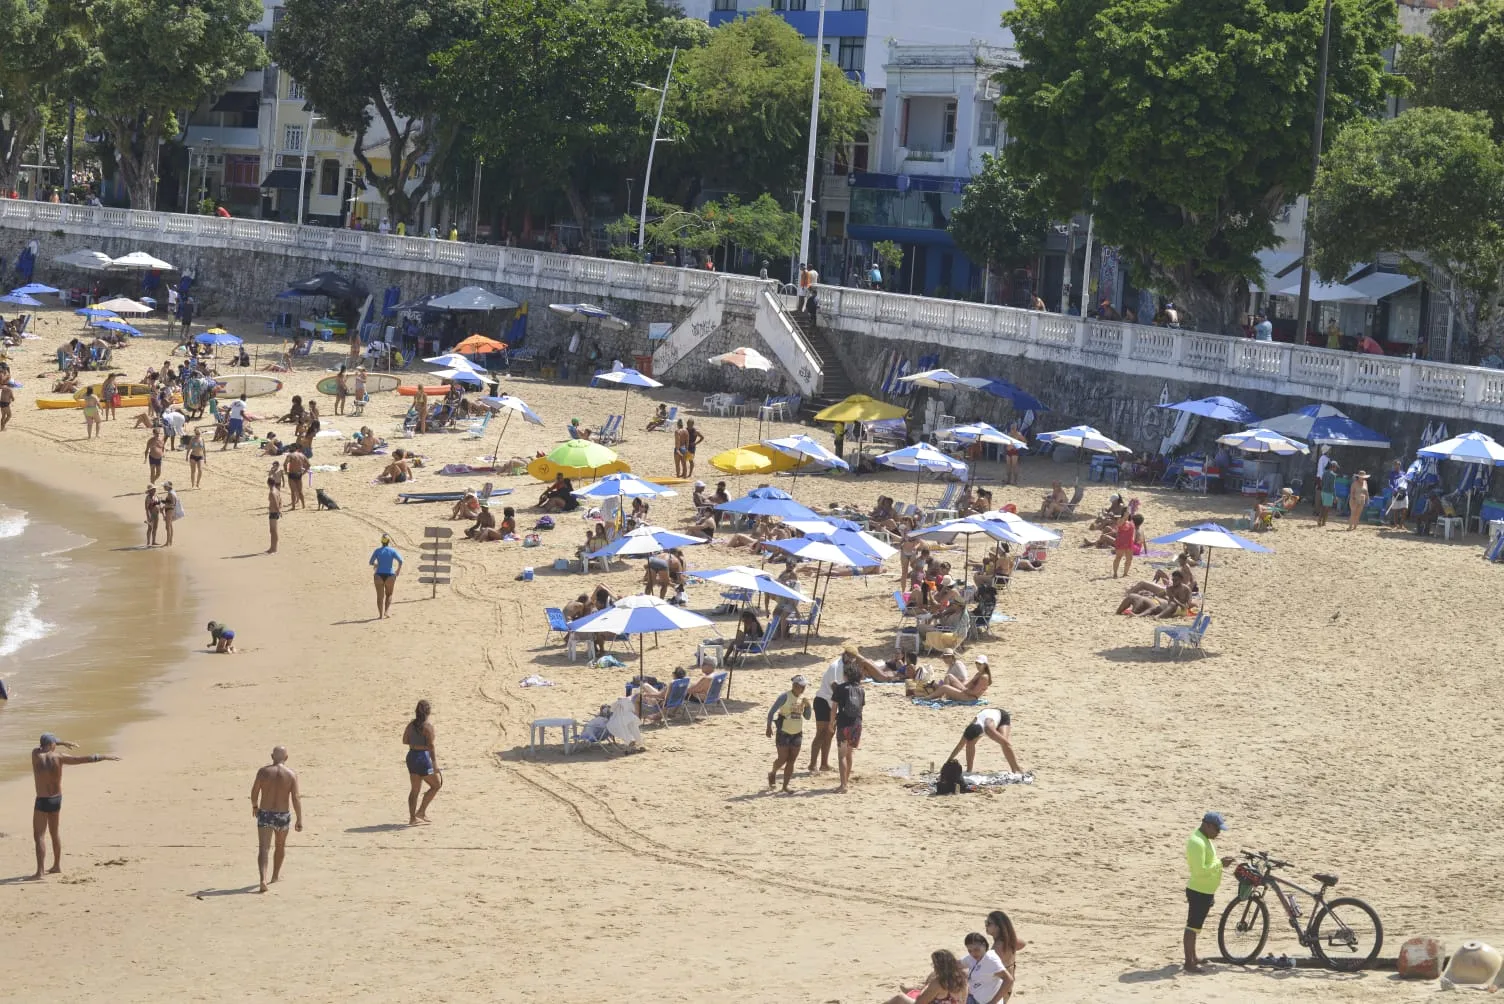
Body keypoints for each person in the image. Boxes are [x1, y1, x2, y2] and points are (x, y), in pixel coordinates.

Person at [29, 733, 120, 880]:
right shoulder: (59, 757)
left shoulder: (35, 754)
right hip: (56, 799)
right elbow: (82, 759)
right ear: (53, 744)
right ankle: (57, 866)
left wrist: (60, 742)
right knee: (54, 832)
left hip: (42, 800)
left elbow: (47, 744)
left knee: (39, 836)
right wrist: (104, 756)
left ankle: (40, 872)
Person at [1184, 811, 1234, 972]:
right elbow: (1199, 871)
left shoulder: (1205, 839)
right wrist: (1220, 864)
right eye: (1217, 829)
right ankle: (1188, 963)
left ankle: (1193, 957)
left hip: (1205, 891)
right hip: (1198, 891)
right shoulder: (1197, 842)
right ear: (1206, 825)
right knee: (1192, 927)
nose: (1218, 833)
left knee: (1196, 927)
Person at [249, 746, 303, 892]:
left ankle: (262, 879)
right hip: (282, 814)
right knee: (280, 846)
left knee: (264, 848)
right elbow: (295, 797)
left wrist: (255, 806)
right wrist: (299, 819)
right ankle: (275, 876)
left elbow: (254, 792)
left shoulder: (263, 772)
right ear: (286, 758)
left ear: (272, 756)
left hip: (265, 813)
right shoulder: (291, 774)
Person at [765, 675, 811, 792]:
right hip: (784, 732)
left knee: (791, 760)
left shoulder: (803, 699)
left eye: (804, 686)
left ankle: (785, 786)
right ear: (795, 686)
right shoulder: (784, 697)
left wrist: (808, 706)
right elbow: (771, 712)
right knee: (782, 759)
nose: (803, 689)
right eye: (802, 687)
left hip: (797, 733)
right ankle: (773, 772)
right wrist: (768, 727)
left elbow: (807, 716)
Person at [948, 708, 1022, 774]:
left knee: (1004, 743)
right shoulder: (971, 727)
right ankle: (969, 770)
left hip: (1001, 716)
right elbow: (959, 746)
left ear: (979, 735)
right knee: (970, 743)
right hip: (986, 712)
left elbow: (1007, 744)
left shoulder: (989, 730)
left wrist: (1017, 767)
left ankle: (1016, 769)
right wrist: (948, 761)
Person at [403, 699, 442, 823]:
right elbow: (431, 746)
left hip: (411, 756)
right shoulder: (428, 727)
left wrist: (416, 743)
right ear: (428, 712)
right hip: (423, 758)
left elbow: (405, 740)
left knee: (414, 790)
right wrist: (435, 763)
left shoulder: (410, 725)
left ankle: (412, 818)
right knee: (436, 785)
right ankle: (421, 811)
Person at [881, 949, 969, 1004]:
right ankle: (912, 990)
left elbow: (920, 1002)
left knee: (899, 998)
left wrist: (925, 989)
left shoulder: (939, 982)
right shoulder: (962, 978)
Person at [830, 662, 864, 793]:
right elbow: (860, 708)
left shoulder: (840, 688)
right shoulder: (861, 690)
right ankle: (846, 781)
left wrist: (831, 723)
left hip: (843, 724)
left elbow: (834, 708)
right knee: (849, 754)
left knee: (842, 755)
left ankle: (843, 785)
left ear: (847, 675)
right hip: (856, 724)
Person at [964, 931, 1013, 1004]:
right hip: (973, 999)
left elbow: (1009, 980)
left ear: (984, 945)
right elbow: (957, 964)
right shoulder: (975, 957)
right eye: (969, 951)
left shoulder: (991, 960)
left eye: (976, 950)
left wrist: (993, 1002)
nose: (973, 953)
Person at [986, 910, 1026, 997]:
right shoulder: (1009, 942)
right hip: (1007, 989)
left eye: (988, 923)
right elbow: (1023, 943)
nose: (986, 926)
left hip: (997, 990)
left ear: (998, 927)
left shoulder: (997, 949)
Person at [370, 533, 403, 618]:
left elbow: (371, 562)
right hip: (390, 575)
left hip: (378, 575)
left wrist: (376, 564)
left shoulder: (377, 551)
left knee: (379, 597)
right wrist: (398, 570)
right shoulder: (392, 550)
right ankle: (386, 612)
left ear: (381, 541)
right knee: (389, 594)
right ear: (389, 541)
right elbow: (400, 561)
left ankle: (380, 615)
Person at [1112, 512, 1142, 578]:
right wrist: (1124, 517)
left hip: (1129, 542)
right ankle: (1115, 573)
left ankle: (1125, 573)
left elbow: (1133, 532)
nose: (1127, 514)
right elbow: (1119, 525)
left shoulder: (1131, 522)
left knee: (1129, 559)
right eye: (1126, 512)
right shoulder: (1120, 520)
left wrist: (1133, 540)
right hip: (1121, 542)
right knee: (1118, 557)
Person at [266, 477, 282, 554]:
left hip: (273, 512)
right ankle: (272, 547)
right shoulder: (277, 490)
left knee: (273, 531)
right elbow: (280, 501)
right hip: (275, 512)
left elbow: (275, 503)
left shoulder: (272, 492)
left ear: (268, 483)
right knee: (273, 530)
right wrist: (279, 510)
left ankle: (274, 548)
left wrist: (278, 511)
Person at [160, 481, 179, 547]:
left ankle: (167, 543)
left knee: (167, 527)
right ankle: (170, 541)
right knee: (170, 526)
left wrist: (164, 507)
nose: (163, 487)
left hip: (170, 510)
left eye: (164, 486)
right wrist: (162, 501)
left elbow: (172, 504)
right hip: (169, 510)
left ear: (168, 487)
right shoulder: (171, 492)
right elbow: (169, 502)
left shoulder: (170, 494)